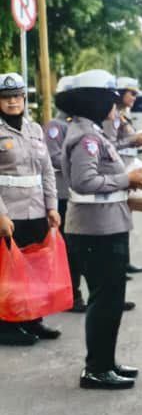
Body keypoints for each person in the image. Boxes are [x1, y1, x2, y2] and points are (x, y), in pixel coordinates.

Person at [58, 70, 142, 388]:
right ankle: (96, 369)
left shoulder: (94, 132)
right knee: (104, 301)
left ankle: (105, 362)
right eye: (110, 100)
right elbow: (85, 181)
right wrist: (127, 179)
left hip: (105, 225)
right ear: (95, 102)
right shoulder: (86, 138)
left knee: (110, 300)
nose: (116, 105)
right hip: (95, 230)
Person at [0, 73, 63, 347]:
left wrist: (52, 206)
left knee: (35, 268)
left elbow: (47, 171)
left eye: (17, 96)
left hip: (36, 209)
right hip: (9, 212)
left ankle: (32, 320)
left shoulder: (35, 129)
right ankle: (7, 326)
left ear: (24, 98)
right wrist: (1, 215)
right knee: (9, 272)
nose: (12, 102)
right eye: (6, 97)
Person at [101, 76, 142, 277]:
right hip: (118, 171)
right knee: (119, 218)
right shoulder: (112, 116)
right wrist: (133, 140)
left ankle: (124, 261)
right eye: (132, 93)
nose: (134, 97)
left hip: (127, 167)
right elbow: (109, 145)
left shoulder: (122, 115)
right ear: (121, 93)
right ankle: (118, 264)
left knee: (125, 218)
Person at [43, 76, 85, 313]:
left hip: (76, 195)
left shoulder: (79, 124)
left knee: (77, 248)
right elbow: (53, 157)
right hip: (61, 195)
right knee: (67, 249)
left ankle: (76, 293)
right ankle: (72, 296)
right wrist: (79, 163)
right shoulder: (55, 126)